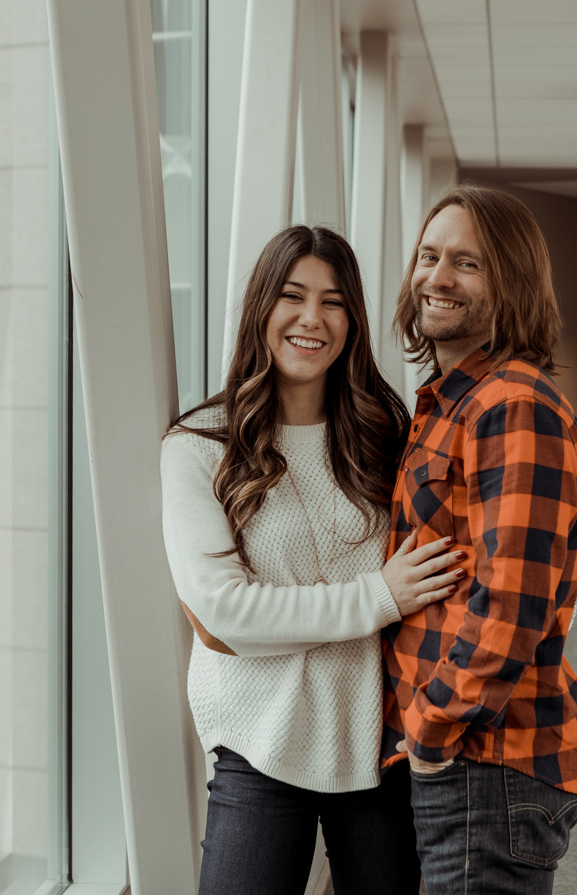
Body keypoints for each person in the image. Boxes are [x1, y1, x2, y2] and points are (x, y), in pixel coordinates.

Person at [160, 225, 466, 895]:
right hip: (258, 742)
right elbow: (224, 614)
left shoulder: (389, 437)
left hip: (380, 744)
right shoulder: (198, 447)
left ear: (352, 320)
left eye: (333, 302)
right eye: (293, 296)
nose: (311, 319)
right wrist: (380, 595)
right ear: (261, 309)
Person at [382, 185, 577, 894]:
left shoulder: (513, 406)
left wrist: (434, 734)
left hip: (485, 757)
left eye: (467, 264)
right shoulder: (452, 401)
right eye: (429, 256)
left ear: (512, 284)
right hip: (465, 755)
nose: (437, 278)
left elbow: (512, 604)